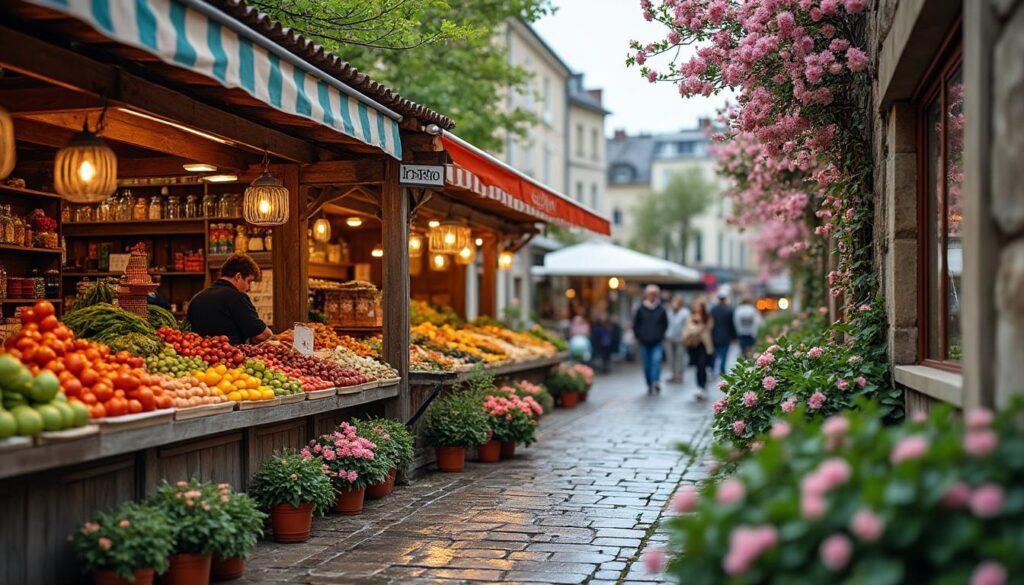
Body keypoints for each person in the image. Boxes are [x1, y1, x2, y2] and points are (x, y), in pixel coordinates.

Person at [186, 253, 273, 344]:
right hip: (231, 351)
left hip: (199, 352)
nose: (249, 288)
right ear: (238, 276)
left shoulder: (196, 298)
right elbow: (263, 335)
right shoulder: (237, 297)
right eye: (249, 281)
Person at [633, 284, 669, 395]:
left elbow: (665, 324)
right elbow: (636, 324)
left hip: (656, 341)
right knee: (647, 365)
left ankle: (655, 381)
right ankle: (649, 383)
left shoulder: (661, 309)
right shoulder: (641, 309)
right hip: (644, 341)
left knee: (656, 361)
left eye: (654, 294)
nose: (652, 296)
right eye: (650, 294)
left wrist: (660, 335)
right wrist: (639, 336)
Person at [683, 298, 714, 400]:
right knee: (697, 366)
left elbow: (710, 328)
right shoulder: (690, 317)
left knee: (702, 365)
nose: (697, 308)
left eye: (699, 306)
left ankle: (702, 385)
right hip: (693, 344)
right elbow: (691, 330)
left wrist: (700, 322)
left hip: (705, 345)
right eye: (695, 306)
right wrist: (700, 325)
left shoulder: (707, 317)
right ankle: (699, 385)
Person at [665, 295, 691, 384]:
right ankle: (672, 374)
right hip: (669, 337)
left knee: (680, 357)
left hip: (681, 338)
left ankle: (679, 375)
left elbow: (687, 325)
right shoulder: (669, 311)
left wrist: (685, 336)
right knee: (671, 357)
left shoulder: (685, 312)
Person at [709, 292, 737, 376]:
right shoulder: (729, 309)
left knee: (714, 354)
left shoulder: (713, 309)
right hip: (726, 335)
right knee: (724, 355)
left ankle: (713, 369)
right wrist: (734, 336)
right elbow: (732, 324)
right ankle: (722, 370)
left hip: (714, 335)